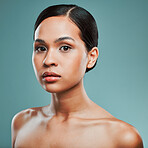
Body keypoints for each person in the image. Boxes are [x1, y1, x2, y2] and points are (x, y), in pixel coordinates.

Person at [11, 4, 143, 148]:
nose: (48, 60)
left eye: (65, 47)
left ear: (91, 57)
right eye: (41, 48)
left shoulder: (121, 137)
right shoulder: (22, 123)